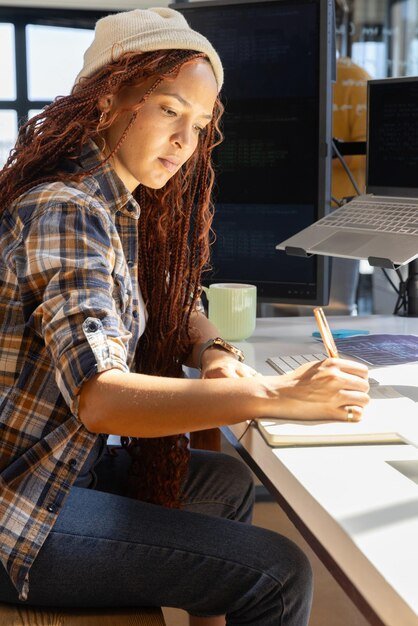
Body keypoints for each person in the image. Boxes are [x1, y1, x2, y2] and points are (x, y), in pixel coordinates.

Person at [0, 8, 370, 625]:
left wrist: (216, 352)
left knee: (223, 485)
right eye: (170, 109)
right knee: (278, 574)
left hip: (61, 469)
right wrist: (271, 393)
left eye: (199, 124)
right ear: (108, 97)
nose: (185, 141)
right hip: (20, 507)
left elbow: (172, 298)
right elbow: (102, 400)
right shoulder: (67, 211)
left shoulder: (114, 203)